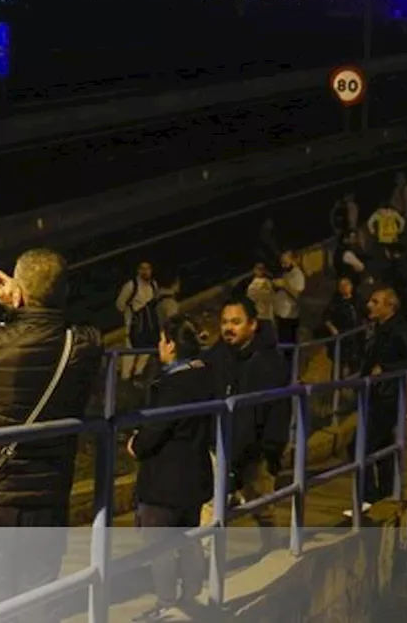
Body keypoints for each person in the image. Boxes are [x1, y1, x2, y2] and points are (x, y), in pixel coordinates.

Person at [0, 248, 103, 623]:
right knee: (37, 605)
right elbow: (52, 327)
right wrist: (32, 302)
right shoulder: (86, 346)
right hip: (48, 496)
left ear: (18, 291)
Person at [127, 316, 216, 621]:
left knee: (159, 543)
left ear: (172, 345)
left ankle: (166, 603)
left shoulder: (173, 384)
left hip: (166, 479)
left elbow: (157, 427)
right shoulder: (204, 376)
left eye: (162, 340)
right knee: (188, 537)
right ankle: (191, 596)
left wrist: (136, 444)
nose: (158, 347)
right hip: (194, 474)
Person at [201, 296, 290, 550]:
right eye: (225, 322)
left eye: (236, 322)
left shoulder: (269, 363)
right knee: (210, 507)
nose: (229, 327)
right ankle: (204, 565)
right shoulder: (215, 358)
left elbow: (275, 414)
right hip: (218, 444)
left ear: (252, 325)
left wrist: (271, 453)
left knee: (262, 504)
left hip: (256, 450)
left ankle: (273, 548)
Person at [343, 286, 407, 518]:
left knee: (360, 446)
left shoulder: (400, 330)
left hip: (388, 397)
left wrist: (386, 370)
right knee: (382, 447)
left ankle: (368, 497)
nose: (369, 305)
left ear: (390, 306)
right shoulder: (380, 328)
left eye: (375, 302)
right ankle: (385, 493)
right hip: (376, 394)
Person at [116, 261, 160, 382]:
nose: (146, 271)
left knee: (145, 352)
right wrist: (129, 316)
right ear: (138, 270)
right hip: (133, 326)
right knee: (130, 353)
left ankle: (137, 375)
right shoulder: (131, 285)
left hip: (148, 326)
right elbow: (120, 304)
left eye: (148, 268)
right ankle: (125, 378)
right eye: (143, 269)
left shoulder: (154, 285)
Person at [272, 250, 307, 348]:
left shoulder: (298, 275)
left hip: (289, 317)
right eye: (282, 263)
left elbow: (297, 295)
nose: (283, 266)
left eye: (285, 263)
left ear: (294, 260)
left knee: (289, 347)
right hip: (281, 316)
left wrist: (284, 285)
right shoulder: (286, 273)